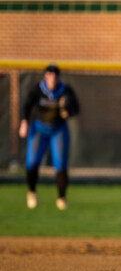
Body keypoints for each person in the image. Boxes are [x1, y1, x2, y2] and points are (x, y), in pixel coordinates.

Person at [19, 64, 80, 210]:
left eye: (55, 75)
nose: (52, 77)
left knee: (60, 164)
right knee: (32, 162)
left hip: (58, 129)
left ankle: (61, 198)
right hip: (39, 128)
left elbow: (76, 108)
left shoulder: (65, 90)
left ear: (58, 77)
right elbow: (27, 105)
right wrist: (24, 122)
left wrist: (68, 112)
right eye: (49, 75)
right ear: (45, 76)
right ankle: (32, 192)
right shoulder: (38, 89)